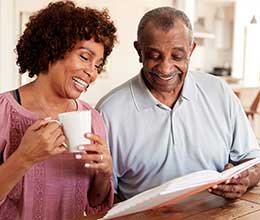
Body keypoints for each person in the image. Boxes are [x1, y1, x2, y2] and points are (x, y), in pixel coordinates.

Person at [96, 7, 260, 201]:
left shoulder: (220, 92)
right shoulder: (109, 111)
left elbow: (253, 160)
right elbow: (102, 196)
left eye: (177, 56)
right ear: (139, 51)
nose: (165, 68)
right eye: (154, 55)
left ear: (191, 50)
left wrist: (245, 179)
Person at [0, 1, 117, 219]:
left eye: (98, 65)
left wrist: (104, 173)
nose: (92, 73)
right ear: (53, 48)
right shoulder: (3, 111)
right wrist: (24, 158)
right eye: (84, 57)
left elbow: (95, 202)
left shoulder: (93, 119)